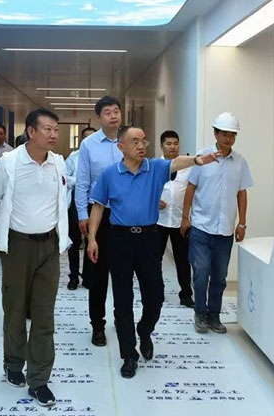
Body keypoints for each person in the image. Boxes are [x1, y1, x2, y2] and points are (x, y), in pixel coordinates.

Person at [88, 126, 219, 379]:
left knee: (156, 295)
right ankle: (129, 354)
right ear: (121, 147)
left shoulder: (155, 168)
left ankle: (145, 330)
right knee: (122, 300)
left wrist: (196, 160)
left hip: (149, 238)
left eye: (144, 141)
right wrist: (93, 238)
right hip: (119, 239)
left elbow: (176, 162)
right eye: (134, 141)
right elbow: (98, 207)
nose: (141, 146)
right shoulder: (109, 175)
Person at [0, 108, 71, 408]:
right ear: (31, 132)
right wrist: (8, 232)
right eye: (48, 129)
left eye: (56, 129)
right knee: (15, 309)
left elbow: (62, 199)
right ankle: (13, 363)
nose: (53, 134)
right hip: (17, 246)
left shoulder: (58, 163)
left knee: (44, 315)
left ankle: (39, 380)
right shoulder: (8, 163)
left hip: (49, 246)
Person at [181, 112, 253, 334]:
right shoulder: (202, 158)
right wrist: (185, 217)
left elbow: (242, 192)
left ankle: (214, 316)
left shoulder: (240, 162)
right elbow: (191, 187)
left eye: (232, 135)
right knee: (201, 272)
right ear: (215, 134)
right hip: (202, 227)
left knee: (220, 277)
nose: (228, 139)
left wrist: (242, 223)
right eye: (224, 134)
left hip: (225, 230)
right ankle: (200, 313)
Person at [75, 96, 124, 347]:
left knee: (123, 274)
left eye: (116, 111)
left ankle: (122, 319)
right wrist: (82, 215)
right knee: (97, 275)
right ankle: (97, 325)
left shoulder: (131, 139)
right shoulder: (89, 145)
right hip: (99, 216)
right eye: (108, 112)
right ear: (99, 117)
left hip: (126, 216)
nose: (113, 115)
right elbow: (82, 181)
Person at [156, 130, 195, 308]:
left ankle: (186, 294)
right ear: (162, 146)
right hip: (158, 220)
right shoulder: (155, 166)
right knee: (154, 259)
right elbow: (145, 189)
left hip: (181, 220)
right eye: (168, 144)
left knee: (183, 260)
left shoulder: (188, 166)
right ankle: (157, 291)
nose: (172, 147)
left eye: (175, 143)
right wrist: (154, 201)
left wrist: (187, 217)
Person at [64, 126, 97, 290]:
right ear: (82, 140)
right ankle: (73, 276)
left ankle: (89, 276)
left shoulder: (100, 158)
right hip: (77, 203)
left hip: (95, 204)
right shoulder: (74, 157)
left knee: (92, 239)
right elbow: (64, 176)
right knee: (74, 242)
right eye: (86, 138)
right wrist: (79, 182)